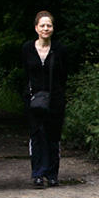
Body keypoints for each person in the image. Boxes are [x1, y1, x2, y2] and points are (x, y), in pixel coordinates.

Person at [22, 10, 68, 188]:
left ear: (53, 28)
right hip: (33, 99)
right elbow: (25, 73)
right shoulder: (27, 48)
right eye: (42, 25)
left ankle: (52, 174)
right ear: (36, 28)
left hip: (55, 99)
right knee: (37, 135)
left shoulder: (60, 49)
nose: (46, 28)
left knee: (53, 136)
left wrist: (58, 94)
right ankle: (38, 174)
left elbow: (64, 74)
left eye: (49, 25)